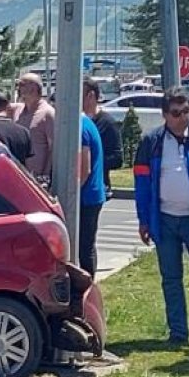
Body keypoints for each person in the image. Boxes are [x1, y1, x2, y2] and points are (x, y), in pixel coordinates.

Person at [133, 92, 189, 345]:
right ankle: (178, 333)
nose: (182, 117)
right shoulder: (151, 142)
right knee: (171, 279)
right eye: (176, 113)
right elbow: (142, 184)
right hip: (165, 220)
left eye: (186, 111)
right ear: (165, 115)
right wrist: (144, 220)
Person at [83, 78, 124, 197]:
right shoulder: (77, 121)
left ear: (90, 95)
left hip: (97, 185)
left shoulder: (107, 123)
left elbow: (117, 159)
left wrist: (91, 162)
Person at [78, 111, 107, 277]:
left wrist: (71, 196)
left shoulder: (80, 127)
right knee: (87, 244)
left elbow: (84, 169)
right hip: (92, 194)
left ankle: (87, 289)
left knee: (84, 247)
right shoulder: (87, 122)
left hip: (86, 196)